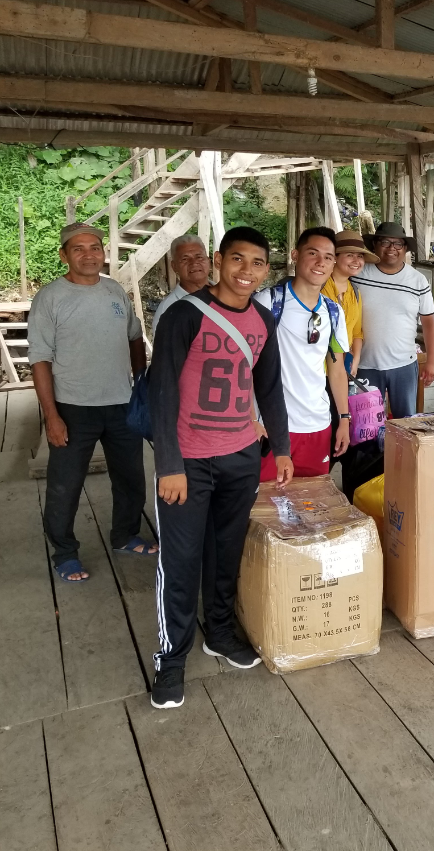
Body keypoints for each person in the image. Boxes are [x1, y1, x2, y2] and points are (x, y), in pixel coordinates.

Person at [147, 226, 293, 709]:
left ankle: (221, 632)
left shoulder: (263, 320)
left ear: (266, 270)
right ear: (218, 260)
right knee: (181, 561)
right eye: (237, 259)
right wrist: (169, 463)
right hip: (187, 462)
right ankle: (172, 658)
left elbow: (269, 387)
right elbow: (162, 391)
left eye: (257, 263)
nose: (246, 271)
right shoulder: (184, 316)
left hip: (240, 457)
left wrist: (282, 448)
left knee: (226, 552)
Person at [28, 223, 154, 584]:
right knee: (65, 485)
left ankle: (125, 535)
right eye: (78, 249)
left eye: (95, 247)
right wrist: (51, 416)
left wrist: (139, 383)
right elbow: (40, 360)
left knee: (130, 478)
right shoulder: (50, 298)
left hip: (121, 404)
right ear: (64, 255)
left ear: (104, 253)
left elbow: (134, 337)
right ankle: (65, 553)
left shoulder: (114, 290)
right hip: (73, 407)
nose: (89, 255)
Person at [253, 227, 351, 481]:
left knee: (313, 499)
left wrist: (344, 419)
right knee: (267, 499)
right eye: (313, 253)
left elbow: (337, 370)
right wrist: (251, 418)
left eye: (328, 257)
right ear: (295, 255)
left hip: (318, 424)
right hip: (271, 426)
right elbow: (244, 364)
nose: (320, 262)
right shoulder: (268, 302)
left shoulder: (333, 312)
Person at [351, 222, 434, 419]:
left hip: (403, 365)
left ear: (405, 249)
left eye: (398, 244)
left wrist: (431, 362)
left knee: (405, 422)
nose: (392, 248)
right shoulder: (357, 275)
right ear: (375, 245)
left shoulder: (418, 281)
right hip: (363, 364)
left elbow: (429, 324)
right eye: (385, 242)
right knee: (366, 424)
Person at [323, 230, 375, 378]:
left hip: (343, 368)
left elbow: (357, 332)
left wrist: (356, 359)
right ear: (335, 257)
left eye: (360, 256)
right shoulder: (320, 287)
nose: (356, 261)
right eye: (350, 255)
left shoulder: (355, 292)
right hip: (317, 369)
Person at [153, 234, 211, 331]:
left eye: (199, 257)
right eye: (185, 259)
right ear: (174, 266)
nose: (194, 263)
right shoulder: (168, 309)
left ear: (208, 261)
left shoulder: (228, 294)